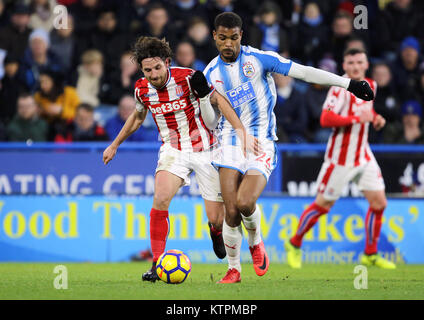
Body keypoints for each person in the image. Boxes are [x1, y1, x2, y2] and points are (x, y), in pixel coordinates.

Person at [202, 12, 374, 283]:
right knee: (231, 210)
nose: (228, 44)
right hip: (230, 141)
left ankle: (256, 241)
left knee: (246, 203)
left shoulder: (259, 59)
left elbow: (303, 72)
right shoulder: (210, 73)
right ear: (214, 36)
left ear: (241, 36)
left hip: (262, 141)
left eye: (233, 38)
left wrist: (348, 84)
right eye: (222, 38)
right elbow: (211, 122)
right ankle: (233, 269)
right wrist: (204, 100)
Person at [102, 36, 260, 282]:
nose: (153, 74)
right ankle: (157, 263)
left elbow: (219, 101)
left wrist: (241, 133)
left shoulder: (188, 77)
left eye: (157, 68)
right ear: (141, 70)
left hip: (207, 150)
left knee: (218, 219)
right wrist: (114, 145)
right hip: (173, 150)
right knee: (161, 197)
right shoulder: (141, 89)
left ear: (167, 62)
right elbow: (137, 116)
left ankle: (216, 232)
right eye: (147, 70)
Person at [284, 48, 396, 270]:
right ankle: (294, 243)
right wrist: (357, 118)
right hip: (339, 158)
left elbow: (367, 112)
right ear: (344, 67)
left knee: (379, 203)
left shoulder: (371, 86)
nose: (355, 67)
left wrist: (375, 118)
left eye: (359, 62)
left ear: (366, 65)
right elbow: (325, 119)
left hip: (363, 153)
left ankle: (370, 254)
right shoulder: (340, 89)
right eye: (350, 63)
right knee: (323, 205)